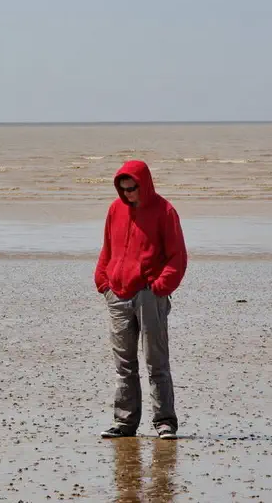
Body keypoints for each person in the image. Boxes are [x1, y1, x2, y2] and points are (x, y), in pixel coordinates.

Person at [94, 160, 187, 439]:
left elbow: (177, 257)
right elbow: (108, 247)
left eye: (132, 188)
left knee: (156, 361)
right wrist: (102, 281)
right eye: (123, 189)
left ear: (143, 184)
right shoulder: (114, 209)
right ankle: (124, 424)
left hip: (149, 295)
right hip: (117, 295)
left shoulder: (164, 211)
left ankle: (164, 422)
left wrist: (159, 287)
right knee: (124, 365)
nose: (127, 194)